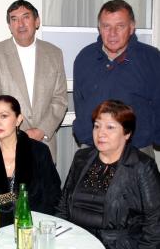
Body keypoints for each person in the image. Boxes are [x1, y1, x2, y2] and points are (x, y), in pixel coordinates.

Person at [57, 100, 160, 248]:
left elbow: (155, 221)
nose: (101, 133)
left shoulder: (142, 166)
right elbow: (63, 206)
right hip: (76, 240)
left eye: (110, 127)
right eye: (97, 126)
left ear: (127, 133)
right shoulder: (81, 158)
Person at [0, 0, 67, 161]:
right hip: (7, 144)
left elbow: (60, 99)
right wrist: (15, 133)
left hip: (44, 144)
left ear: (37, 21)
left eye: (25, 17)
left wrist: (42, 130)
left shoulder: (54, 53)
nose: (20, 24)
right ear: (9, 26)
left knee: (43, 187)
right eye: (14, 19)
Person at [73, 0, 160, 158]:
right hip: (93, 149)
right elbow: (80, 102)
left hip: (137, 151)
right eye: (106, 26)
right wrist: (84, 133)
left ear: (132, 27)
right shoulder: (85, 57)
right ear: (99, 28)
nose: (112, 33)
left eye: (120, 26)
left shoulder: (151, 58)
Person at [0, 95, 61, 227]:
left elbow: (53, 195)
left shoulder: (39, 151)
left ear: (18, 120)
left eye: (4, 116)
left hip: (34, 224)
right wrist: (13, 196)